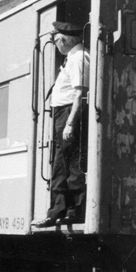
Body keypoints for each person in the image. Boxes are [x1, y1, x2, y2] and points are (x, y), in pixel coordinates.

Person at [33, 21, 89, 228]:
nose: (56, 45)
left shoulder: (79, 58)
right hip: (62, 113)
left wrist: (70, 123)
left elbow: (80, 92)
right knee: (66, 163)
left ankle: (58, 212)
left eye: (56, 40)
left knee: (65, 164)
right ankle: (70, 211)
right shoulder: (74, 57)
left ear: (64, 39)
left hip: (67, 113)